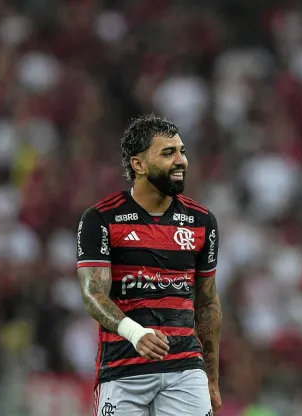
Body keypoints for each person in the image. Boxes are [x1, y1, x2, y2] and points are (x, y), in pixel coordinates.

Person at [76, 114, 222, 416]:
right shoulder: (102, 218)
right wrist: (135, 333)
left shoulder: (201, 221)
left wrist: (212, 378)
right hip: (122, 369)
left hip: (185, 367)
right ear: (138, 165)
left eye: (182, 151)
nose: (180, 160)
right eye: (168, 153)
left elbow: (207, 303)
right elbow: (93, 294)